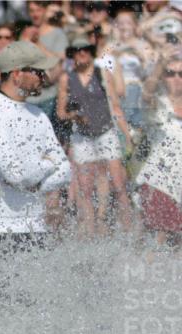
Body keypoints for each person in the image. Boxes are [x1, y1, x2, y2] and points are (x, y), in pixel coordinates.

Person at [0, 41, 72, 245]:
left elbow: (66, 171)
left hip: (36, 226)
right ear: (17, 74)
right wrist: (48, 164)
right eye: (38, 72)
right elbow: (17, 175)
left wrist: (35, 184)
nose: (44, 77)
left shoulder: (38, 114)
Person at [56, 37, 134, 236]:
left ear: (91, 53)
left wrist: (127, 136)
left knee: (118, 185)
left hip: (106, 132)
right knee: (85, 189)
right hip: (82, 136)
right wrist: (75, 116)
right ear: (72, 54)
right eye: (77, 50)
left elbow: (115, 106)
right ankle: (91, 232)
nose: (81, 53)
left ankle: (128, 230)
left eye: (85, 50)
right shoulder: (67, 78)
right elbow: (60, 113)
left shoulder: (102, 73)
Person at [136, 54, 182, 245]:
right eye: (170, 73)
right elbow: (146, 93)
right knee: (159, 239)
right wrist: (161, 63)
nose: (177, 78)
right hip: (159, 183)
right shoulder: (156, 104)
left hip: (180, 187)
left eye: (181, 73)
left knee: (178, 244)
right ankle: (137, 273)